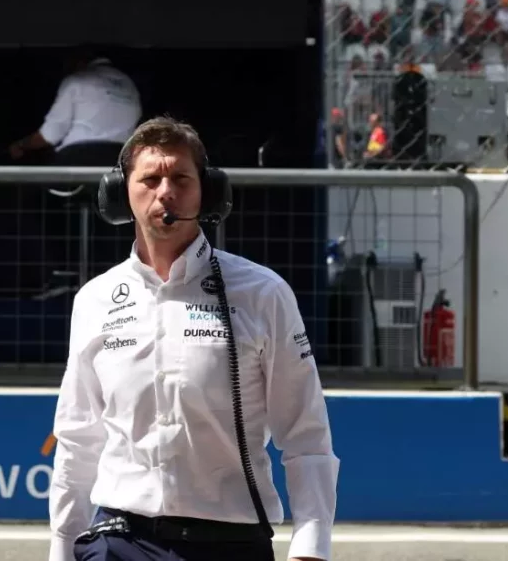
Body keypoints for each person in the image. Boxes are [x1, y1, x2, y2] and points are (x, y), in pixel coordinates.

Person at [48, 116, 339, 561]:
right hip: (119, 539)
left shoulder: (263, 293)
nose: (165, 191)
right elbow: (78, 437)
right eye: (150, 178)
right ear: (119, 193)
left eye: (180, 178)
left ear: (208, 190)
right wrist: (61, 547)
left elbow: (305, 431)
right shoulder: (95, 299)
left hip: (230, 540)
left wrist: (312, 545)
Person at [9, 46, 141, 162]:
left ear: (78, 60)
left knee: (44, 185)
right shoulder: (129, 86)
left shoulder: (77, 80)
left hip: (79, 157)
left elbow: (51, 133)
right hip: (119, 160)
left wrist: (22, 145)